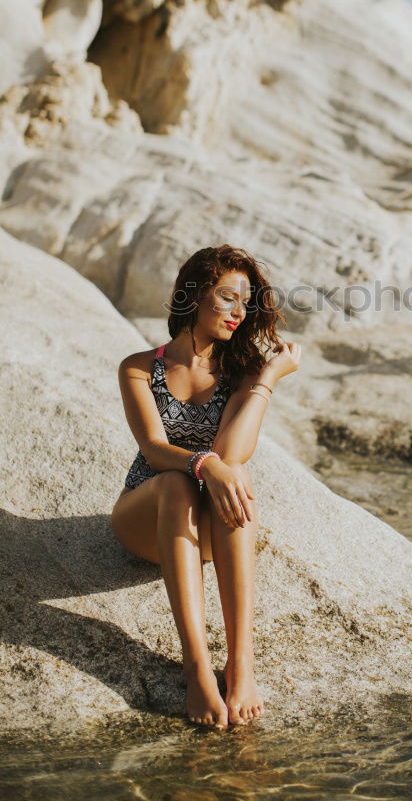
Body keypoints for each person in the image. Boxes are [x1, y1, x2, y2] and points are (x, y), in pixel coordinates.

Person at [111, 244, 300, 729]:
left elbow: (234, 454)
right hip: (147, 518)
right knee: (176, 482)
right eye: (228, 297)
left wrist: (267, 378)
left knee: (237, 474)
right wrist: (203, 464)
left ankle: (241, 664)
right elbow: (153, 449)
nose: (240, 312)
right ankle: (197, 669)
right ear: (193, 296)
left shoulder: (240, 373)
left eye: (247, 302)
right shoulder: (140, 367)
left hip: (208, 534)